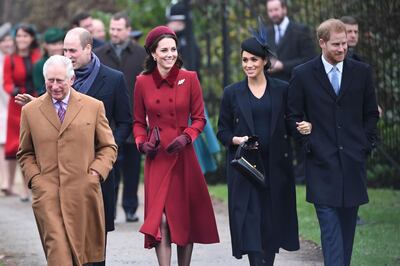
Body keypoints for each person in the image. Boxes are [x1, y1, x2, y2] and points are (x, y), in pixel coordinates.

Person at [15, 27, 132, 266]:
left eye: (60, 81)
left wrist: (96, 172)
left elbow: (108, 146)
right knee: (59, 255)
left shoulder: (93, 106)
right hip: (48, 195)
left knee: (88, 256)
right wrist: (36, 180)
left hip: (84, 193)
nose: (55, 86)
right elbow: (25, 152)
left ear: (71, 79)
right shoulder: (31, 110)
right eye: (50, 81)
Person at [287, 19, 379, 266]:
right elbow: (293, 116)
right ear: (322, 42)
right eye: (336, 44)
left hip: (353, 165)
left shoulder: (362, 72)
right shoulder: (303, 74)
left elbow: (371, 114)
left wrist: (366, 145)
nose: (342, 49)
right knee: (330, 231)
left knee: (347, 232)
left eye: (345, 44)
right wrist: (308, 142)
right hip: (320, 166)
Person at [133, 25, 219, 266]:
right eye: (164, 50)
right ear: (153, 53)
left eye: (173, 49)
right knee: (159, 220)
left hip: (183, 156)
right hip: (157, 157)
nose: (170, 54)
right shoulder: (142, 82)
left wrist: (188, 136)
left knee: (182, 218)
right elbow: (138, 122)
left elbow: (200, 118)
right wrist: (142, 144)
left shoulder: (189, 78)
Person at [217, 33, 299, 265]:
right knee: (251, 226)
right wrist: (237, 140)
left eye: (254, 59)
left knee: (271, 227)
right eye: (244, 60)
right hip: (246, 170)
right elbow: (222, 131)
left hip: (276, 168)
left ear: (264, 61)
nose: (249, 65)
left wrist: (304, 126)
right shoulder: (232, 92)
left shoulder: (282, 89)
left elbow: (291, 122)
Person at [95, 11, 146, 223]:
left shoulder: (142, 54)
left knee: (133, 167)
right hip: (107, 120)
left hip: (134, 119)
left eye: (118, 29)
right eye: (112, 29)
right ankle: (110, 209)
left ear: (128, 30)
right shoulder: (99, 54)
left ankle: (131, 208)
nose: (114, 33)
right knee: (110, 166)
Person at [166, 2, 221, 174]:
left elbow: (193, 74)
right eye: (172, 22)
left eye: (178, 22)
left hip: (187, 97)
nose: (174, 25)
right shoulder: (166, 45)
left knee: (192, 136)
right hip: (168, 98)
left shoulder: (191, 46)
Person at [3, 23, 41, 201]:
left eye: (25, 36)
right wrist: (13, 90)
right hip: (17, 104)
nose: (21, 39)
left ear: (32, 38)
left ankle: (34, 186)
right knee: (18, 145)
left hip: (36, 102)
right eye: (18, 36)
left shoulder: (38, 56)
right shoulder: (10, 59)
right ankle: (24, 189)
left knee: (35, 144)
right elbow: (7, 82)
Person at [265, 0, 316, 82]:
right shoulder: (266, 33)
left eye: (276, 9)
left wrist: (283, 66)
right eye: (270, 11)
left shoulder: (301, 30)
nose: (273, 14)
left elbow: (310, 59)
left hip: (296, 84)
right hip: (272, 86)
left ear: (284, 9)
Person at [0, 22, 14, 196]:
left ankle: (8, 182)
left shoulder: (15, 58)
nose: (7, 44)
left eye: (9, 40)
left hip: (11, 104)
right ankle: (4, 181)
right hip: (2, 107)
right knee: (3, 144)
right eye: (4, 41)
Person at [33, 27, 65, 94]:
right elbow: (39, 90)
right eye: (54, 44)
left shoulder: (69, 62)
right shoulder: (39, 65)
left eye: (60, 43)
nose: (58, 47)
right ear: (46, 46)